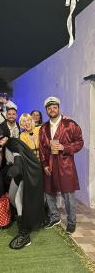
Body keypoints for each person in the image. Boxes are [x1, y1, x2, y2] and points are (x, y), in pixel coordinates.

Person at [0, 124, 44, 249]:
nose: (1, 140)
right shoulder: (6, 145)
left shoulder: (13, 143)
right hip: (19, 175)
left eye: (2, 137)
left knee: (18, 200)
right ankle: (27, 217)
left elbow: (18, 156)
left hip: (26, 174)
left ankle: (24, 235)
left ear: (6, 135)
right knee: (12, 197)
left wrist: (16, 167)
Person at [39, 96, 84, 234]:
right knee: (49, 192)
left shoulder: (70, 124)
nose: (52, 109)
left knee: (68, 195)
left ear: (58, 108)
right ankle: (54, 217)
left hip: (65, 165)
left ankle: (71, 221)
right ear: (46, 110)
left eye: (54, 107)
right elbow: (41, 147)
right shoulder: (44, 127)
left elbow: (79, 142)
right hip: (50, 165)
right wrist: (45, 164)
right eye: (49, 108)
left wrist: (65, 148)